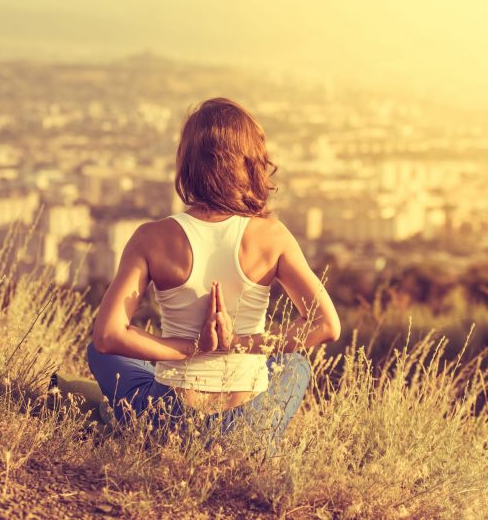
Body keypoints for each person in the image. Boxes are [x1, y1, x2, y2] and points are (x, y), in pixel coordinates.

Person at [87, 97, 341, 446]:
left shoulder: (151, 237)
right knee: (295, 364)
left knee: (100, 353)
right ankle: (252, 446)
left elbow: (107, 337)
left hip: (170, 422)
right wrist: (237, 344)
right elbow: (327, 325)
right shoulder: (272, 236)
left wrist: (188, 349)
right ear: (252, 163)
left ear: (187, 163)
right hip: (247, 424)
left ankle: (133, 422)